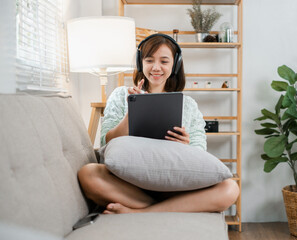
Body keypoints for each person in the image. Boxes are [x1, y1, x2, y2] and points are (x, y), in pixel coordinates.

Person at [78, 34, 239, 214]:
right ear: (141, 64)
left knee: (230, 188)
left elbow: (199, 154)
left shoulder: (189, 105)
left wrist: (186, 146)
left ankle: (141, 212)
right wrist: (132, 110)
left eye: (164, 61)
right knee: (88, 174)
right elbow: (106, 143)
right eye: (149, 60)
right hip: (128, 185)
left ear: (175, 65)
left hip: (174, 187)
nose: (156, 67)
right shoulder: (121, 95)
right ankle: (163, 209)